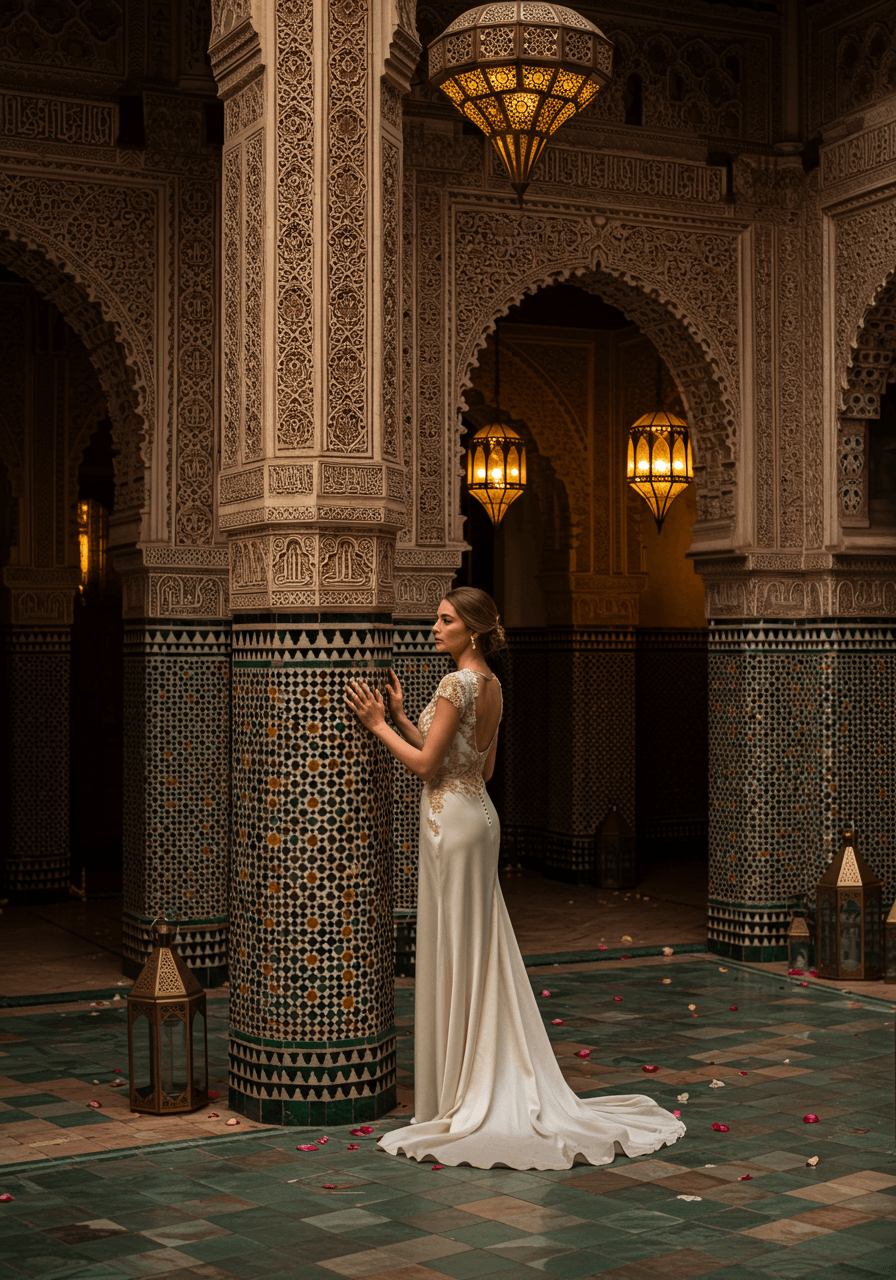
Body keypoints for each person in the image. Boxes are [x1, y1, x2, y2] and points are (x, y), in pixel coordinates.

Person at [345, 586, 685, 1170]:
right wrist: (403, 715)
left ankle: (464, 1088)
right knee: (475, 947)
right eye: (436, 618)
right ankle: (475, 1073)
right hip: (478, 815)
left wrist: (378, 724)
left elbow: (427, 766)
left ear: (472, 630)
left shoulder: (457, 684)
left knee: (460, 947)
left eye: (445, 620)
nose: (434, 627)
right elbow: (485, 765)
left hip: (451, 822)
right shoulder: (493, 686)